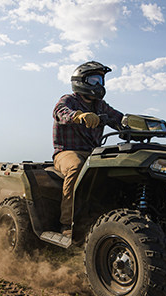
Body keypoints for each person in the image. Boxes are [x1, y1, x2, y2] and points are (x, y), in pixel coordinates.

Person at [52, 61, 124, 236]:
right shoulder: (69, 100)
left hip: (94, 153)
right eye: (94, 80)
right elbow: (60, 111)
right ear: (81, 81)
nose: (99, 85)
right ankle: (67, 224)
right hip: (67, 152)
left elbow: (120, 119)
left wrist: (136, 124)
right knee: (76, 167)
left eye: (101, 80)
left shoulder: (101, 105)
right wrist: (78, 115)